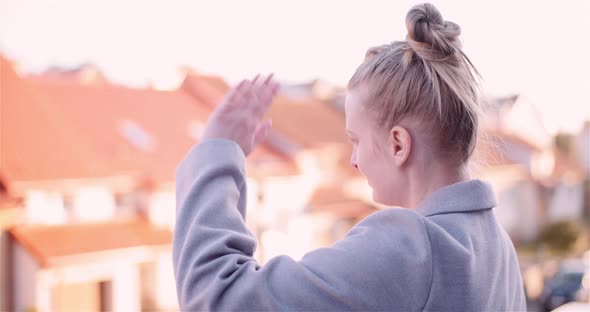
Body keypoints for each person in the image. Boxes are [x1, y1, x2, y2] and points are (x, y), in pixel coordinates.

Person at [173, 3, 527, 311]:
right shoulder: (497, 249)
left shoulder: (411, 250)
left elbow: (218, 297)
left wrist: (218, 150)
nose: (354, 161)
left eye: (356, 141)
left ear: (398, 145)